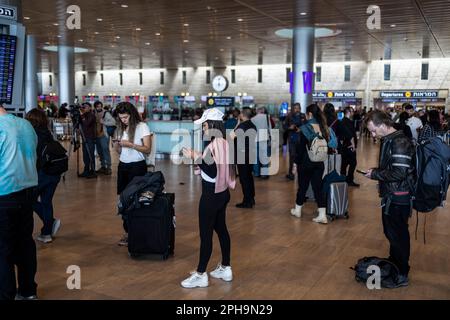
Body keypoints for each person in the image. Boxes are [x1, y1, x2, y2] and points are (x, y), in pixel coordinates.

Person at [181, 108, 236, 289]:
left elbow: (212, 170)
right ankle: (225, 268)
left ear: (212, 124)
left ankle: (200, 274)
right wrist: (200, 156)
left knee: (206, 235)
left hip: (211, 195)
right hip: (221, 193)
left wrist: (194, 157)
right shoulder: (222, 142)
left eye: (204, 125)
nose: (203, 128)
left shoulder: (216, 143)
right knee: (221, 229)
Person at [364, 110, 415, 288]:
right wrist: (376, 172)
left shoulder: (399, 141)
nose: (372, 134)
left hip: (398, 197)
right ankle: (396, 263)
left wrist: (376, 174)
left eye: (373, 130)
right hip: (392, 195)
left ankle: (401, 272)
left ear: (384, 125)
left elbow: (399, 172)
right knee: (393, 233)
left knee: (398, 235)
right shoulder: (391, 139)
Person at [0, 105, 39, 300]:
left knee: (3, 249)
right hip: (27, 194)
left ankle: (5, 294)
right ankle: (28, 291)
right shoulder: (26, 125)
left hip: (4, 194)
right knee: (24, 244)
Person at [113, 102, 152, 246]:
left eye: (125, 117)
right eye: (121, 118)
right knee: (124, 201)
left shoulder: (142, 127)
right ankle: (128, 232)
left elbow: (147, 149)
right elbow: (120, 152)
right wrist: (117, 145)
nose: (123, 120)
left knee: (135, 200)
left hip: (137, 167)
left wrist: (131, 145)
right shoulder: (122, 128)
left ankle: (137, 232)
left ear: (132, 114)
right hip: (123, 166)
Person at [290, 104, 335, 224]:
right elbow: (330, 146)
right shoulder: (324, 128)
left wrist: (295, 164)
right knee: (318, 188)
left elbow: (300, 149)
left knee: (303, 187)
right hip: (319, 162)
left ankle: (298, 210)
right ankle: (322, 215)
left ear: (309, 114)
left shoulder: (305, 128)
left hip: (305, 162)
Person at [25, 109, 62, 244]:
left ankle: (50, 223)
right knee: (46, 201)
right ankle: (47, 233)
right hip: (54, 172)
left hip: (42, 173)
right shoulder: (47, 133)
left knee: (29, 200)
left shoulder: (32, 134)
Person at [232, 107, 257, 208]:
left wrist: (238, 123)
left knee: (244, 178)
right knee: (249, 177)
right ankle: (251, 198)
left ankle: (247, 201)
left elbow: (231, 136)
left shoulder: (242, 126)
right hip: (250, 153)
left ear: (242, 115)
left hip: (243, 155)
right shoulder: (252, 125)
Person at [340, 107, 359, 187]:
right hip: (349, 146)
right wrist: (353, 145)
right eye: (352, 111)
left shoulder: (343, 121)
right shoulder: (347, 122)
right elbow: (350, 135)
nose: (353, 113)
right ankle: (349, 180)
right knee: (353, 163)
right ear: (348, 112)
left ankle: (343, 179)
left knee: (344, 163)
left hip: (345, 146)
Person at [251, 107, 272, 179]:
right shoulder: (266, 117)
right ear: (262, 110)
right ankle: (264, 174)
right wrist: (270, 139)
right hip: (264, 138)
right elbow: (270, 128)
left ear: (257, 111)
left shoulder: (252, 119)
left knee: (256, 158)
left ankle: (256, 173)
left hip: (255, 139)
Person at [284, 103, 303, 180]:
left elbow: (307, 125)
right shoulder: (289, 116)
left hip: (301, 139)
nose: (296, 109)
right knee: (292, 156)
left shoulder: (303, 116)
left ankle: (301, 173)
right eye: (295, 108)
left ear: (300, 108)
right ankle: (291, 174)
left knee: (300, 157)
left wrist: (301, 129)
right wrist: (289, 127)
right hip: (292, 139)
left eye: (298, 108)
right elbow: (284, 126)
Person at [94, 101, 113, 175]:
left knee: (105, 150)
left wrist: (104, 122)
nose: (99, 108)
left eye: (100, 106)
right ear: (95, 107)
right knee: (99, 151)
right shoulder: (94, 113)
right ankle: (103, 166)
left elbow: (113, 122)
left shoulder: (106, 113)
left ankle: (108, 167)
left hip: (104, 135)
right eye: (97, 106)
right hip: (96, 135)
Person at [79, 102, 97, 178]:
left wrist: (82, 115)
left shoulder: (92, 115)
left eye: (86, 107)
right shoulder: (84, 115)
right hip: (84, 137)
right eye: (83, 107)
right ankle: (86, 170)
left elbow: (86, 123)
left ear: (90, 108)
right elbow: (78, 123)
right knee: (85, 155)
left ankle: (93, 171)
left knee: (90, 155)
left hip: (90, 137)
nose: (84, 108)